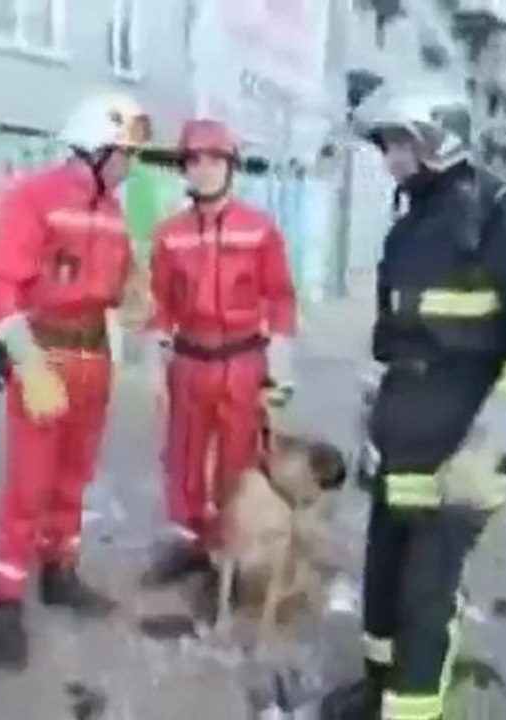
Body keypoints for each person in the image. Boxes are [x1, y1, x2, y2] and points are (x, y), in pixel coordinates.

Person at [320, 90, 506, 719]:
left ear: (438, 136)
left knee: (427, 600)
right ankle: (377, 691)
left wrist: (491, 447)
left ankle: (411, 711)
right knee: (383, 584)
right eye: (386, 144)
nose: (390, 158)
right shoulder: (410, 226)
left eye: (399, 142)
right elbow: (393, 341)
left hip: (461, 453)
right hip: (400, 446)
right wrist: (371, 420)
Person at [0, 91, 151, 671]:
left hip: (92, 358)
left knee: (73, 479)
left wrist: (133, 307)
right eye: (124, 153)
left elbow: (120, 287)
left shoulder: (111, 210)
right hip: (44, 356)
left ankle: (59, 572)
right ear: (95, 149)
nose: (131, 165)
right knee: (29, 485)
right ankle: (3, 599)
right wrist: (26, 361)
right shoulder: (34, 199)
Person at [139, 118, 298, 598]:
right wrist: (152, 368)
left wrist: (281, 372)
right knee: (184, 457)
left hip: (243, 362)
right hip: (189, 362)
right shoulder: (169, 234)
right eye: (193, 161)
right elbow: (160, 307)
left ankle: (230, 554)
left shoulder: (260, 229)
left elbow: (281, 301)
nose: (203, 170)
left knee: (238, 460)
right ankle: (191, 544)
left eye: (214, 160)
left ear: (231, 166)